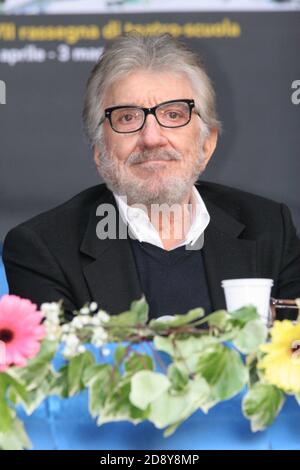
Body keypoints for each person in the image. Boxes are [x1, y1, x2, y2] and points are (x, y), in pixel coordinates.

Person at [3, 34, 300, 319]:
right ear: (99, 150)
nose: (152, 138)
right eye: (127, 117)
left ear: (207, 144)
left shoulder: (270, 230)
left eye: (173, 115)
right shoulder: (44, 250)